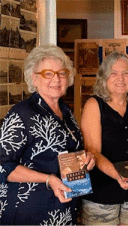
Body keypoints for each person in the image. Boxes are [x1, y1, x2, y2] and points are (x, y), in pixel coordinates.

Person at [0, 45, 95, 225]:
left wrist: (87, 158)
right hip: (30, 212)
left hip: (64, 209)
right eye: (48, 74)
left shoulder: (66, 113)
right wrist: (48, 179)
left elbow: (68, 153)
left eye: (61, 73)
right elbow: (4, 166)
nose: (57, 79)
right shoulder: (22, 113)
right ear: (34, 79)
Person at [80, 51, 128, 225]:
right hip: (102, 192)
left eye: (126, 73)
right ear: (104, 77)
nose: (121, 78)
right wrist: (119, 176)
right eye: (114, 73)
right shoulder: (94, 105)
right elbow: (93, 152)